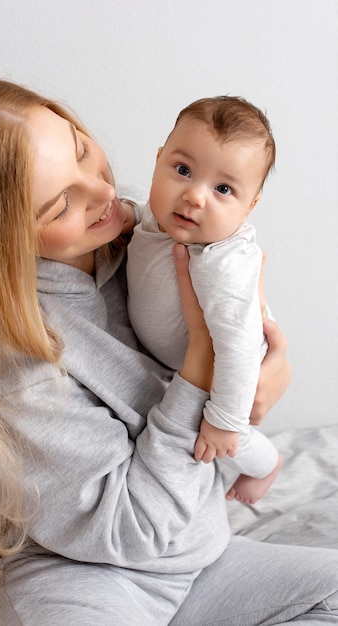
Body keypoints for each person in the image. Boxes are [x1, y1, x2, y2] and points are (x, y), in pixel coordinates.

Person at [0, 77, 337, 626]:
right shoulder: (12, 357)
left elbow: (235, 350)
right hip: (81, 578)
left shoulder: (138, 239)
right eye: (60, 203)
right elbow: (128, 531)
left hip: (200, 559)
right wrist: (205, 368)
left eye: (82, 151)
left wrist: (261, 373)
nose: (102, 192)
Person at [127, 96, 282, 504]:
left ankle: (267, 465)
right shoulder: (154, 216)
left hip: (232, 365)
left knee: (220, 436)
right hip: (176, 362)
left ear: (250, 207)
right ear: (158, 160)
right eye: (182, 170)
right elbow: (135, 215)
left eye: (223, 189)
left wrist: (226, 420)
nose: (195, 196)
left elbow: (239, 348)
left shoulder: (222, 263)